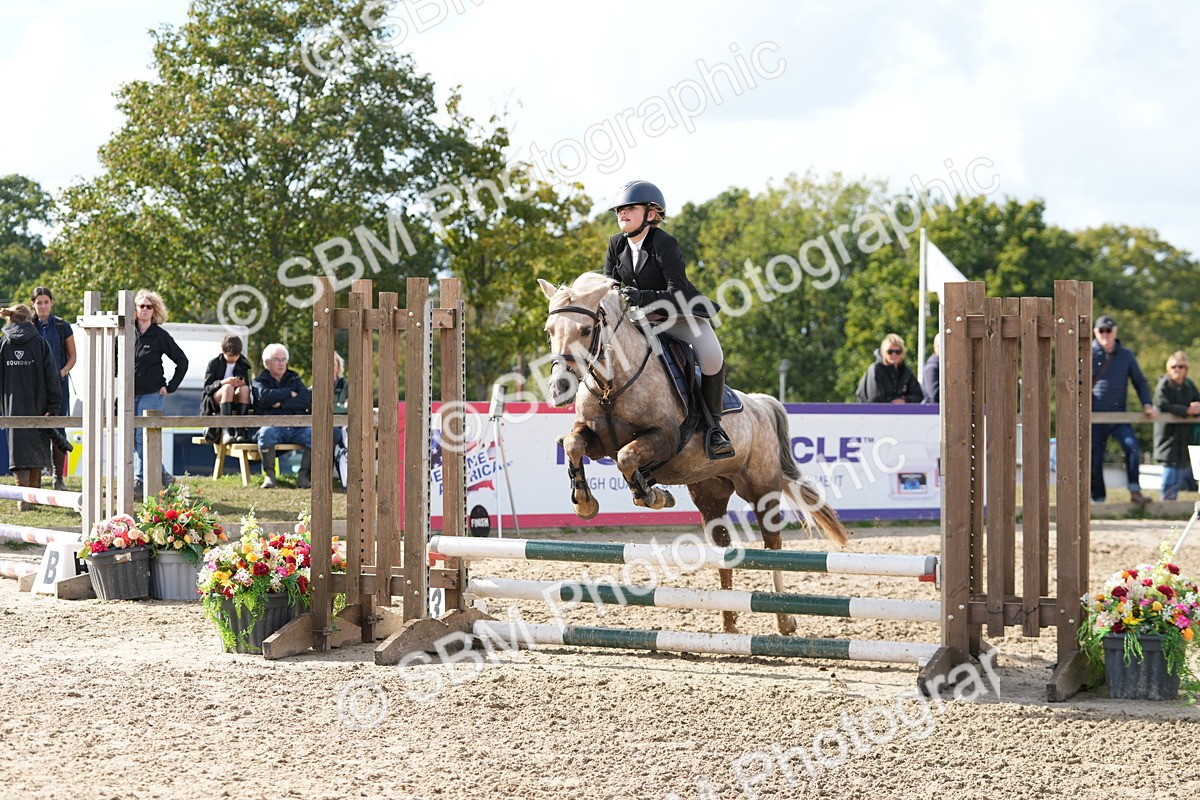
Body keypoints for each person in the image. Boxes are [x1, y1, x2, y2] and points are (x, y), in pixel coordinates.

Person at [602, 179, 733, 460]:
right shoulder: (615, 244)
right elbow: (608, 286)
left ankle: (715, 428)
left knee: (712, 356)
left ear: (651, 214)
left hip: (678, 315)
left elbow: (677, 291)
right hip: (640, 321)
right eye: (620, 209)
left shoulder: (664, 243)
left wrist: (642, 296)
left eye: (630, 208)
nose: (622, 213)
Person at [0, 305, 61, 510]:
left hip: (12, 408)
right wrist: (53, 407)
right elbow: (52, 378)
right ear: (29, 319)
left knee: (17, 448)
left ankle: (22, 495)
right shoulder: (41, 343)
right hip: (39, 406)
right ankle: (32, 495)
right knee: (37, 448)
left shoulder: (3, 344)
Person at [1091, 314, 1156, 505]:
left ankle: (1135, 492)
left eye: (1108, 330)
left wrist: (1147, 403)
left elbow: (1140, 381)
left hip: (1119, 416)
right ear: (1095, 332)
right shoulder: (1087, 353)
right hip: (1094, 417)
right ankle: (1098, 499)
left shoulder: (1126, 355)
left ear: (1115, 332)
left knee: (1132, 447)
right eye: (1101, 330)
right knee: (1094, 457)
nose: (1105, 334)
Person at [132, 290, 187, 494]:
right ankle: (163, 475)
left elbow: (182, 361)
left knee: (142, 436)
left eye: (149, 306)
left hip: (152, 393)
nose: (145, 310)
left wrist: (170, 386)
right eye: (141, 306)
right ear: (135, 309)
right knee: (132, 438)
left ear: (154, 310)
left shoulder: (159, 335)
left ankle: (140, 480)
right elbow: (116, 356)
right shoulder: (128, 332)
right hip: (129, 393)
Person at [31, 287, 76, 490]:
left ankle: (58, 476)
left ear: (52, 303)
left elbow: (72, 355)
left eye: (46, 302)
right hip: (35, 387)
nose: (43, 306)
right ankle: (37, 476)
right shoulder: (28, 325)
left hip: (59, 386)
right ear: (33, 304)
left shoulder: (62, 326)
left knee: (58, 427)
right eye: (39, 302)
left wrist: (64, 371)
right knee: (35, 428)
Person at [252, 343, 312, 489]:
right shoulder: (259, 381)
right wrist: (289, 393)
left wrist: (281, 403)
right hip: (273, 426)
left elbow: (306, 399)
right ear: (267, 363)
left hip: (296, 426)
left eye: (283, 359)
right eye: (277, 359)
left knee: (316, 435)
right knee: (266, 433)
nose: (281, 363)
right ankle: (269, 476)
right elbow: (264, 396)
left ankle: (303, 476)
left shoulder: (294, 378)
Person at [1152, 351, 1200, 501]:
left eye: (1181, 366)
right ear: (1169, 368)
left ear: (1186, 368)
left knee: (1179, 472)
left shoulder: (1189, 385)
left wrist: (1196, 407)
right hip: (1168, 435)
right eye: (1174, 366)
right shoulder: (1164, 384)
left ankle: (1172, 505)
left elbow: (1197, 400)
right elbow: (1161, 404)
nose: (1177, 369)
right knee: (1169, 471)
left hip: (1183, 436)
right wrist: (1186, 410)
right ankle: (1166, 504)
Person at [201, 334, 253, 444]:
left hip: (235, 398)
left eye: (236, 355)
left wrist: (241, 383)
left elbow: (247, 386)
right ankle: (227, 430)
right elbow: (207, 389)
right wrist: (223, 382)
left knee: (244, 390)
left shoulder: (243, 363)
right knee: (228, 388)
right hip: (216, 399)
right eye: (230, 356)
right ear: (223, 351)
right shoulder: (214, 363)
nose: (233, 358)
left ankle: (241, 430)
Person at [856, 333, 923, 404]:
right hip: (871, 410)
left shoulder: (906, 372)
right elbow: (875, 398)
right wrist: (893, 401)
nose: (894, 354)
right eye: (890, 352)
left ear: (903, 352)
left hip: (900, 410)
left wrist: (905, 400)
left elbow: (918, 395)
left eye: (898, 351)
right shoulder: (876, 369)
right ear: (883, 352)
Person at [922, 334, 941, 404]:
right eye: (940, 346)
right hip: (934, 409)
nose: (943, 348)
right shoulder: (932, 367)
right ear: (934, 347)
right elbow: (934, 395)